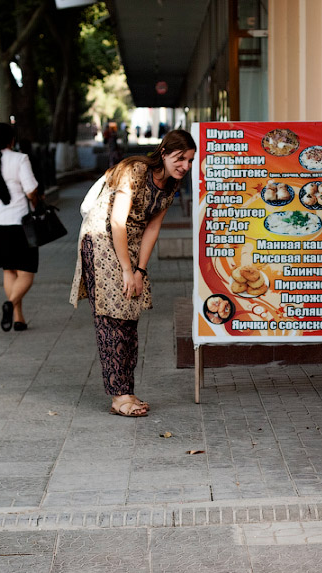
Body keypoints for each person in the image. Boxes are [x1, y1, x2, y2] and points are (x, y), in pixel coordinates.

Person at [70, 129, 196, 417]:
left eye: (189, 161)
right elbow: (117, 221)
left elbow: (152, 228)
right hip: (102, 238)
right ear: (164, 153)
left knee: (129, 313)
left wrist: (139, 270)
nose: (185, 166)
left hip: (132, 241)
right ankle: (119, 397)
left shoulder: (171, 185)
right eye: (180, 159)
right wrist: (127, 270)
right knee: (111, 317)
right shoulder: (135, 170)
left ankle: (126, 390)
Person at [0, 123, 41, 332]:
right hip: (18, 221)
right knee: (27, 273)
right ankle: (10, 304)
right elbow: (31, 189)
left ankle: (18, 318)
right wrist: (35, 201)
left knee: (9, 270)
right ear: (12, 140)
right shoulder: (20, 159)